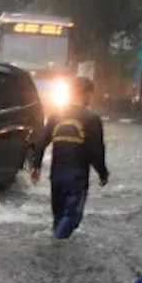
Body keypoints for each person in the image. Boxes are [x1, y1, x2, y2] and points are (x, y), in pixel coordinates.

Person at [29, 76, 107, 239]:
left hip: (56, 177)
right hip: (76, 178)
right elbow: (96, 151)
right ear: (87, 94)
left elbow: (41, 142)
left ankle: (55, 252)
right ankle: (54, 249)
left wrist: (36, 166)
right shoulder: (92, 119)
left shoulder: (56, 115)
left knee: (58, 217)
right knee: (72, 217)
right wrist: (102, 173)